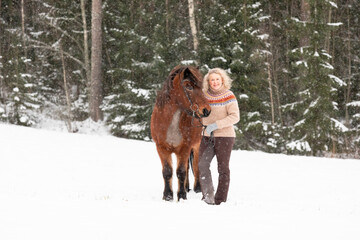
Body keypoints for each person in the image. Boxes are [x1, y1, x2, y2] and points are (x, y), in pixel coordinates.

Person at [199, 68, 240, 205]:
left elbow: (235, 117)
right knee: (202, 164)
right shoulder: (204, 95)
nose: (215, 82)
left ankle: (220, 199)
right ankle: (208, 196)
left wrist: (216, 125)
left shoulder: (229, 95)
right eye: (212, 80)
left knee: (223, 168)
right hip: (206, 136)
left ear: (222, 80)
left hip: (225, 136)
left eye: (217, 79)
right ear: (208, 82)